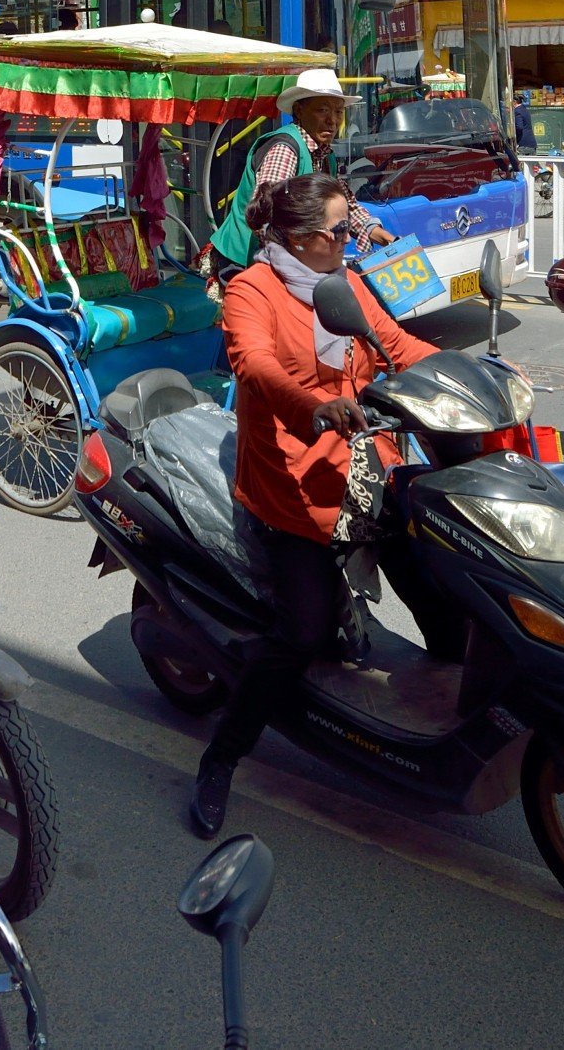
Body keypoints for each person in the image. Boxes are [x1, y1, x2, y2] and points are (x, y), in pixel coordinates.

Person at [188, 172, 452, 838]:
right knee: (300, 635)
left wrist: (472, 373)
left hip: (365, 467)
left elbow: (397, 344)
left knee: (438, 580)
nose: (349, 240)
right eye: (340, 231)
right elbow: (255, 367)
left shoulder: (346, 281)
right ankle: (222, 757)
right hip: (292, 485)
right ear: (303, 240)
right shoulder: (253, 289)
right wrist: (318, 406)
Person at [208, 69, 393, 277]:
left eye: (339, 112)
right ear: (299, 110)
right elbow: (265, 214)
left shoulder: (325, 155)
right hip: (245, 263)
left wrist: (372, 229)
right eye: (322, 110)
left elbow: (344, 202)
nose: (332, 120)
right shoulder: (285, 149)